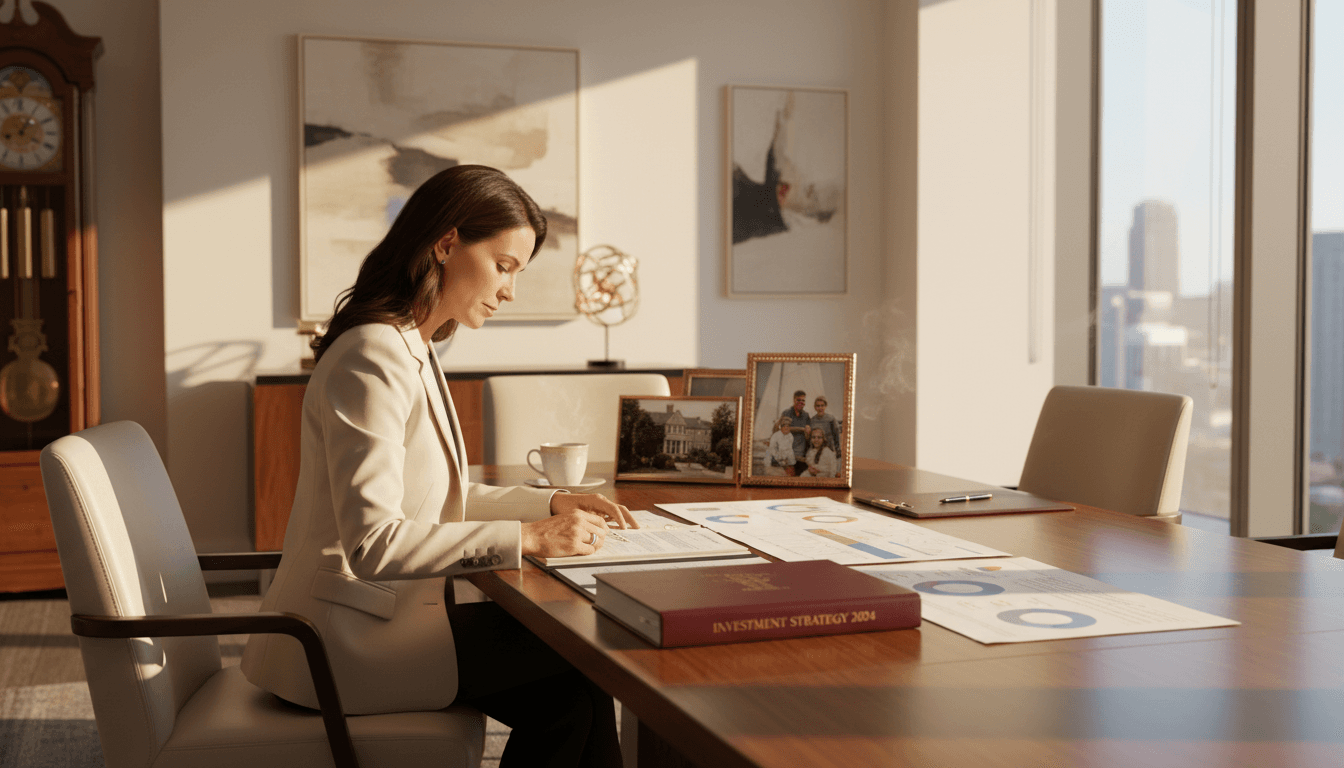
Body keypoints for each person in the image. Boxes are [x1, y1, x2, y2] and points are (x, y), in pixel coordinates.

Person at [241, 165, 629, 767]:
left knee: (581, 676)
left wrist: (550, 504)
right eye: (503, 267)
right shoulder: (373, 354)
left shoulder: (412, 344)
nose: (510, 291)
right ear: (446, 244)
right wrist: (527, 538)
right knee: (578, 678)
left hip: (381, 616)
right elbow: (374, 542)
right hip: (341, 643)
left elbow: (440, 495)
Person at [780, 390, 811, 475]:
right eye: (798, 400)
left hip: (801, 456)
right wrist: (802, 429)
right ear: (794, 400)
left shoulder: (806, 415)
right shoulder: (786, 413)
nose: (801, 402)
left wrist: (808, 430)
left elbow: (808, 435)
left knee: (800, 481)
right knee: (790, 479)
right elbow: (784, 430)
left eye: (803, 400)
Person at [811, 395, 841, 460]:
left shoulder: (831, 419)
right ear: (815, 407)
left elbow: (836, 436)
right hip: (816, 452)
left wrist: (837, 450)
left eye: (822, 405)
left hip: (829, 450)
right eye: (818, 406)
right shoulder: (812, 420)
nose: (820, 408)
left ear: (825, 406)